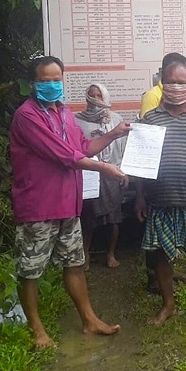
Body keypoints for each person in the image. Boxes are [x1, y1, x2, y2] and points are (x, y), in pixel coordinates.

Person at [9, 56, 131, 349]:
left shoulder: (64, 112)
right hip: (38, 205)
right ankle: (37, 330)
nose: (52, 85)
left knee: (74, 264)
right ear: (33, 84)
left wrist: (115, 133)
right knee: (31, 270)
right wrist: (105, 169)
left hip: (68, 203)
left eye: (56, 80)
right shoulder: (27, 116)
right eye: (45, 81)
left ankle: (89, 320)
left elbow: (83, 147)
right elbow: (65, 154)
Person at [135, 60, 186, 326]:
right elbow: (140, 160)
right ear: (163, 82)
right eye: (171, 81)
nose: (176, 86)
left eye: (182, 82)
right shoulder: (150, 118)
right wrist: (139, 195)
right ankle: (168, 304)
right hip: (159, 201)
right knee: (160, 254)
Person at [74, 83, 127, 269]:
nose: (95, 99)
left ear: (105, 97)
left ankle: (111, 254)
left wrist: (123, 171)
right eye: (91, 95)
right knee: (88, 218)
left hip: (112, 174)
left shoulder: (116, 119)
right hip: (88, 175)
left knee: (113, 218)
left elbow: (123, 147)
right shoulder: (77, 120)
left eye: (99, 95)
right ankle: (85, 254)